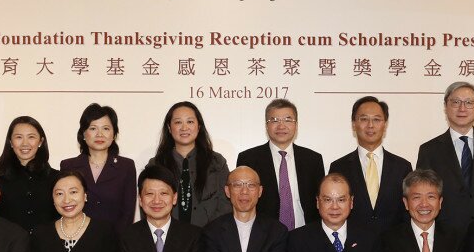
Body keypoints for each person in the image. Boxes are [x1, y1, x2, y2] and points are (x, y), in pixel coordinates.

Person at [416, 82, 474, 233]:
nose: (462, 108)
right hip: (445, 233)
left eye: (469, 103)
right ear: (445, 106)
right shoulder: (429, 150)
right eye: (456, 102)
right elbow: (423, 193)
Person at [236, 99, 325, 231]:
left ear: (296, 125)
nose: (281, 126)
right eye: (275, 120)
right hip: (263, 235)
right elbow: (242, 201)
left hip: (306, 235)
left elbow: (321, 200)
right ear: (266, 125)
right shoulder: (249, 158)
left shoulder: (313, 159)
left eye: (288, 120)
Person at [329, 96, 412, 233]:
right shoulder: (339, 167)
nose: (370, 125)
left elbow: (407, 211)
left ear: (385, 125)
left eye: (376, 119)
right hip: (354, 245)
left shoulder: (403, 167)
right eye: (364, 119)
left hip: (393, 245)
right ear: (354, 124)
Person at [148, 101, 230, 227]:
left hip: (210, 238)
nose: (184, 128)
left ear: (199, 126)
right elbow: (149, 206)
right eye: (178, 122)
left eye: (190, 121)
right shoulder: (156, 164)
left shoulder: (217, 162)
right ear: (169, 128)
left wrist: (209, 234)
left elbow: (226, 204)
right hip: (170, 241)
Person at [59, 103, 138, 231]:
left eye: (106, 128)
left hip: (114, 242)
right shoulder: (68, 166)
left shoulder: (126, 167)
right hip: (77, 240)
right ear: (83, 134)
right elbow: (64, 207)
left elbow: (128, 213)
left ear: (114, 134)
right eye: (93, 128)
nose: (99, 134)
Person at [0, 116, 59, 233]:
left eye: (31, 137)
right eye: (19, 137)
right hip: (9, 247)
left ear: (40, 141)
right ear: (11, 142)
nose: (25, 143)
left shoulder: (56, 178)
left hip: (47, 246)